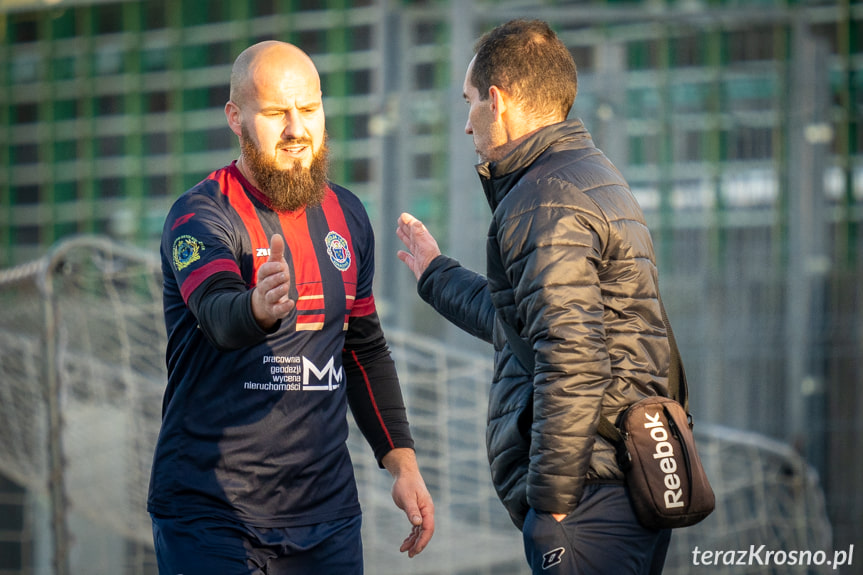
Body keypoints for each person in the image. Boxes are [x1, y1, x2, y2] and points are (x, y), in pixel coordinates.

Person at [396, 19, 671, 574]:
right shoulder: (586, 176)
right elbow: (524, 325)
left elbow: (573, 360)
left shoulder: (544, 199)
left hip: (589, 497)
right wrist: (436, 274)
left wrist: (551, 504)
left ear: (497, 102)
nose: (465, 123)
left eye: (469, 101)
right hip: (619, 482)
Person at [148, 40, 434, 574]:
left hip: (326, 517)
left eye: (309, 109)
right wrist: (257, 308)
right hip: (212, 515)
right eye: (277, 113)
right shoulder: (200, 215)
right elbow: (217, 317)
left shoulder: (348, 214)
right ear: (236, 117)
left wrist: (402, 462)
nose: (297, 130)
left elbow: (363, 351)